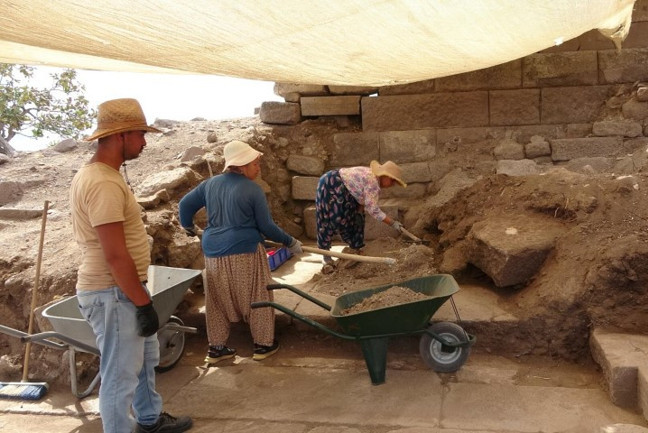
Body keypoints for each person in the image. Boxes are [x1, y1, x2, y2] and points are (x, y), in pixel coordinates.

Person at [70, 98, 193, 433]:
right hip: (114, 292)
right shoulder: (103, 183)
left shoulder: (101, 176)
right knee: (119, 378)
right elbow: (114, 255)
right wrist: (141, 302)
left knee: (143, 362)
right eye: (140, 133)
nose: (144, 141)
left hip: (122, 289)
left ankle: (149, 419)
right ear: (121, 135)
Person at [178, 140, 302, 364]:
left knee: (216, 301)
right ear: (242, 166)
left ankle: (216, 349)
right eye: (255, 164)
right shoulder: (253, 189)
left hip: (213, 253)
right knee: (257, 295)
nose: (259, 168)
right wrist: (290, 241)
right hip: (244, 251)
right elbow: (266, 227)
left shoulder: (210, 185)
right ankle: (263, 345)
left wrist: (188, 227)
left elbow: (184, 206)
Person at [315, 160, 407, 272]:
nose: (392, 185)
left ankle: (355, 249)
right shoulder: (373, 182)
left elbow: (360, 196)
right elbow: (373, 210)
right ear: (385, 176)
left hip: (344, 190)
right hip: (332, 184)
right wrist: (393, 223)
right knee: (329, 219)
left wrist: (359, 212)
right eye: (392, 181)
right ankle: (326, 256)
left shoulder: (372, 178)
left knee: (357, 219)